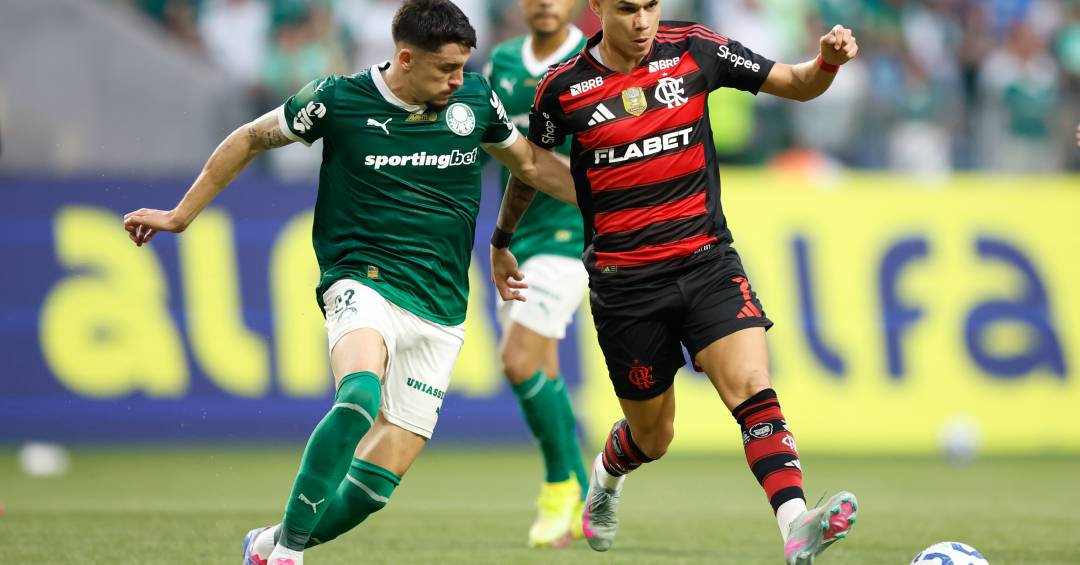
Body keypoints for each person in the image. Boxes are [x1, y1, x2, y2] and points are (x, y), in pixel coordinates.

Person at [122, 2, 575, 564]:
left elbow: (529, 165)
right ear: (405, 58)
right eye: (445, 69)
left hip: (441, 306)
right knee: (359, 394)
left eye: (463, 67)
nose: (458, 80)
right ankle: (289, 554)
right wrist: (180, 215)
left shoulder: (476, 100)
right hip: (362, 279)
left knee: (371, 494)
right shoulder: (336, 99)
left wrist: (612, 200)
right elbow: (250, 138)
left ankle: (266, 544)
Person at [488, 0, 860, 563]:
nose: (642, 22)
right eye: (627, 9)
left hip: (706, 263)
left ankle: (796, 524)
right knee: (652, 437)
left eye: (650, 6)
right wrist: (501, 239)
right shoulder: (561, 88)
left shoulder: (695, 48)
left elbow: (797, 82)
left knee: (751, 386)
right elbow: (532, 166)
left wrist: (827, 61)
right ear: (598, 7)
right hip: (626, 286)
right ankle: (605, 478)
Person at [483, 0, 590, 548]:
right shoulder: (500, 64)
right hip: (517, 237)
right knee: (542, 367)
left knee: (517, 359)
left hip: (572, 237)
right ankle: (584, 496)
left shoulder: (594, 60)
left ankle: (556, 491)